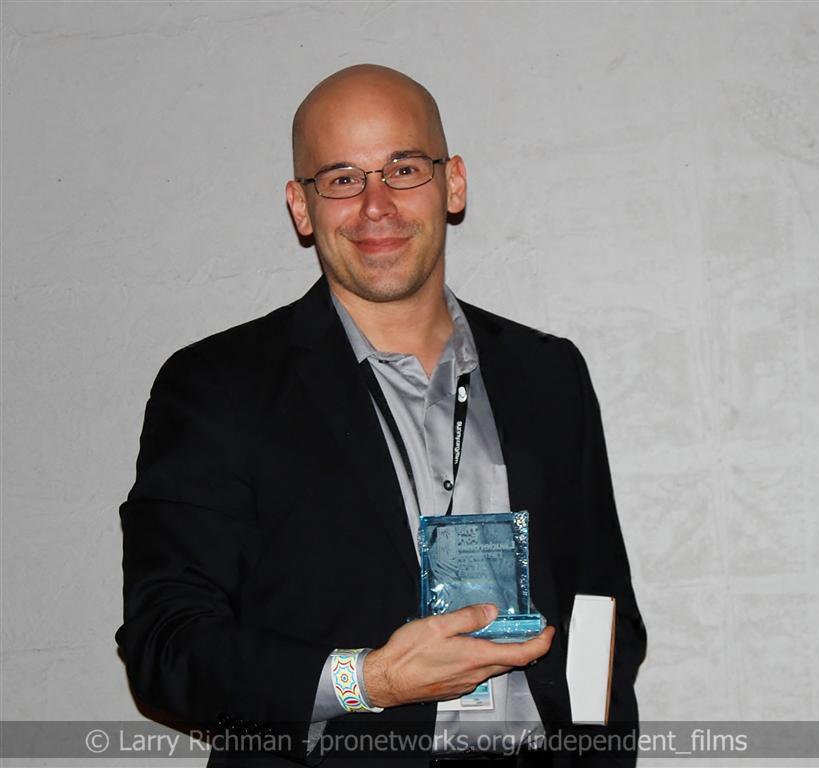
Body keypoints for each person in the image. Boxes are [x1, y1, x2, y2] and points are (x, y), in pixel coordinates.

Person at [117, 64, 646, 767]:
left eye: (403, 168)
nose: (375, 205)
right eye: (341, 178)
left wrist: (592, 752)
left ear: (453, 182)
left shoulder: (550, 375)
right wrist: (369, 681)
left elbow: (600, 611)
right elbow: (167, 646)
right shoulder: (216, 388)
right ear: (301, 208)